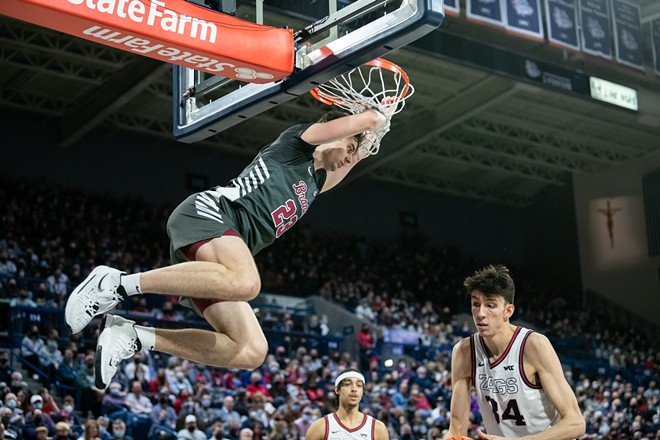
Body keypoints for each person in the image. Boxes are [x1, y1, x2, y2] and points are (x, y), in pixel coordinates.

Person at [63, 105, 393, 389]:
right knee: (247, 283)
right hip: (210, 214)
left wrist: (372, 137)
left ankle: (132, 336)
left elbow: (353, 151)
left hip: (223, 256)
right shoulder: (297, 144)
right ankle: (116, 284)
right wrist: (374, 117)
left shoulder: (316, 182)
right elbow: (354, 124)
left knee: (250, 350)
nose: (352, 156)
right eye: (351, 146)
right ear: (333, 133)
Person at [443, 264, 586, 440]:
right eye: (475, 304)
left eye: (490, 305)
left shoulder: (533, 345)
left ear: (508, 311)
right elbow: (456, 430)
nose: (480, 313)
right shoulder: (464, 352)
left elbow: (576, 423)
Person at [305, 369, 389, 440]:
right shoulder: (319, 427)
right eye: (348, 384)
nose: (354, 389)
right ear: (337, 390)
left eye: (359, 385)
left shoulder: (377, 428)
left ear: (363, 391)